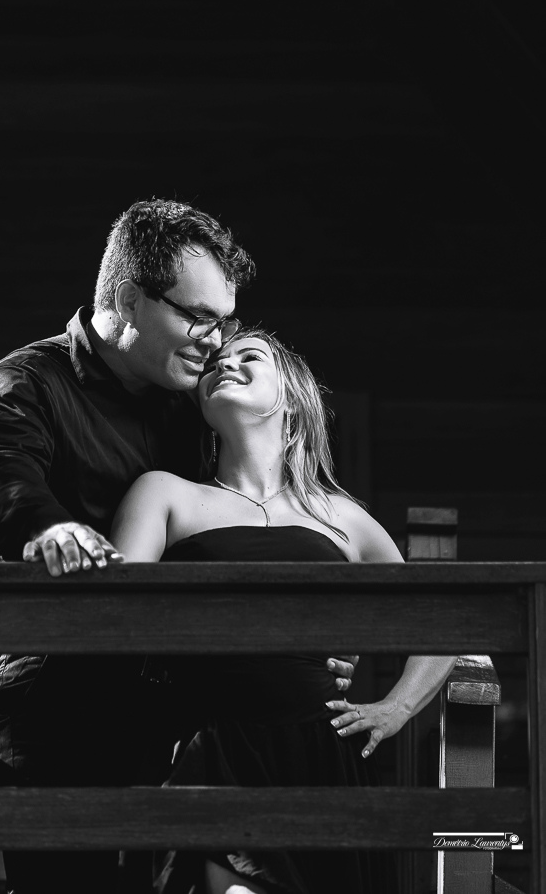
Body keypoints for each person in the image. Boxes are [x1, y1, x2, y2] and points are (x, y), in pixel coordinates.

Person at [0, 198, 357, 894]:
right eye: (197, 316)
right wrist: (52, 531)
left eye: (223, 320)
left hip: (179, 693)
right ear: (127, 301)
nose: (214, 339)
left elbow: (247, 521)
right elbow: (9, 488)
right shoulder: (19, 387)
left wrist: (306, 637)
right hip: (51, 694)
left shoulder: (196, 402)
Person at [110, 327, 457, 894]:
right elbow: (109, 617)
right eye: (214, 364)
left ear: (292, 399)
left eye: (249, 357)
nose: (225, 365)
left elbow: (441, 621)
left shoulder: (341, 517)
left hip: (320, 751)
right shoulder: (166, 493)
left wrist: (394, 708)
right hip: (209, 740)